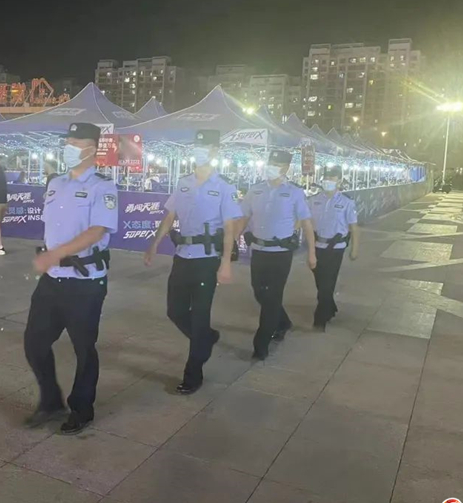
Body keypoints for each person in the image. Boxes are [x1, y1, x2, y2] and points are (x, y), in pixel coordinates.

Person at [23, 122, 118, 435]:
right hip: (52, 279)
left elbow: (97, 231)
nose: (69, 147)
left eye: (75, 143)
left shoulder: (103, 187)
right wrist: (51, 257)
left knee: (83, 348)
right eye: (67, 141)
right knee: (34, 343)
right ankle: (51, 401)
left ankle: (82, 408)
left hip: (85, 281)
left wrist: (56, 253)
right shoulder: (56, 183)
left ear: (91, 148)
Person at [144, 130, 242, 394]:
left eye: (205, 147)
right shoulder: (183, 182)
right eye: (197, 147)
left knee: (199, 317)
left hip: (207, 261)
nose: (199, 151)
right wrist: (154, 244)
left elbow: (230, 229)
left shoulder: (225, 186)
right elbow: (169, 217)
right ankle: (206, 339)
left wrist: (226, 263)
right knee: (175, 311)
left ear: (214, 152)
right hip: (182, 257)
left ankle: (193, 374)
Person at [237, 150, 317, 359]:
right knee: (259, 292)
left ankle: (261, 343)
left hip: (281, 253)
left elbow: (306, 223)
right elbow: (243, 218)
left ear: (286, 168)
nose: (272, 167)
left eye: (277, 164)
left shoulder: (294, 193)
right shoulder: (255, 190)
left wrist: (312, 253)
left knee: (272, 296)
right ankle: (283, 322)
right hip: (259, 251)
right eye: (271, 163)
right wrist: (231, 243)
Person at [308, 166, 360, 331]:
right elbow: (305, 221)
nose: (328, 181)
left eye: (332, 178)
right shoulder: (314, 200)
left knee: (327, 283)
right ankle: (330, 307)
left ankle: (320, 319)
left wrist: (354, 249)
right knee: (320, 282)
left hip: (335, 248)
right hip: (317, 246)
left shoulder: (346, 202)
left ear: (339, 181)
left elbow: (354, 227)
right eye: (326, 177)